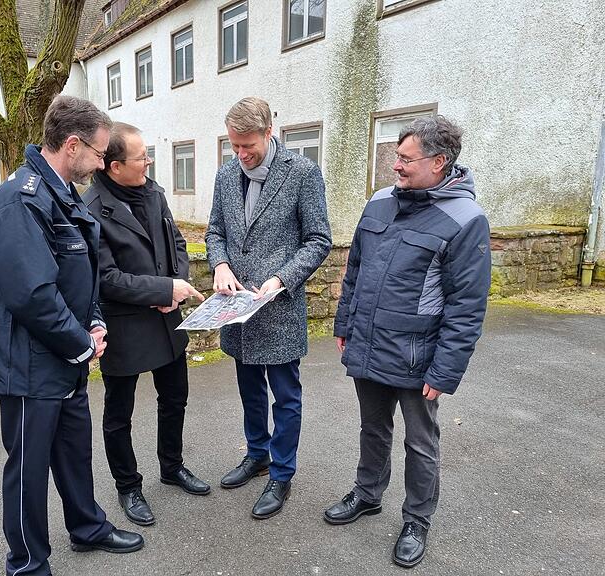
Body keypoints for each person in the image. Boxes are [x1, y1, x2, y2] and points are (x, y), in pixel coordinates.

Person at [0, 95, 143, 576]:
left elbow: (80, 274)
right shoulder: (19, 201)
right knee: (28, 468)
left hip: (65, 354)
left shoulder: (62, 194)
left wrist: (95, 323)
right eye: (98, 153)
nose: (101, 162)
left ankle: (87, 527)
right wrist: (81, 343)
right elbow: (30, 295)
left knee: (73, 448)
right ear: (72, 146)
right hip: (28, 363)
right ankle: (27, 563)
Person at [326, 115, 491, 568]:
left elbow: (466, 307)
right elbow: (355, 270)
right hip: (369, 343)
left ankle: (417, 519)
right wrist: (345, 325)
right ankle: (367, 494)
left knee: (421, 442)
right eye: (395, 156)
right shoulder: (379, 202)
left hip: (419, 357)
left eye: (405, 158)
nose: (395, 166)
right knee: (372, 428)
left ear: (439, 162)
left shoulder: (465, 218)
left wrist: (446, 371)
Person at [205, 97, 332, 519]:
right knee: (248, 390)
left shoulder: (302, 173)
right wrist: (220, 264)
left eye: (248, 146)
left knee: (286, 397)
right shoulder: (226, 173)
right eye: (234, 146)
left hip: (277, 309)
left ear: (268, 133)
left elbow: (318, 239)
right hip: (236, 308)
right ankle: (256, 454)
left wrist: (281, 281)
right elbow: (215, 231)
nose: (240, 155)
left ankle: (281, 473)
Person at [82, 122, 210, 527]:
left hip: (166, 320)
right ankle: (128, 486)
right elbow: (104, 277)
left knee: (175, 399)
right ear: (115, 166)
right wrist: (161, 290)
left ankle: (172, 467)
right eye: (142, 157)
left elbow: (177, 244)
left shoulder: (153, 192)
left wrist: (176, 285)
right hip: (125, 324)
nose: (149, 162)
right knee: (120, 413)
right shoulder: (91, 209)